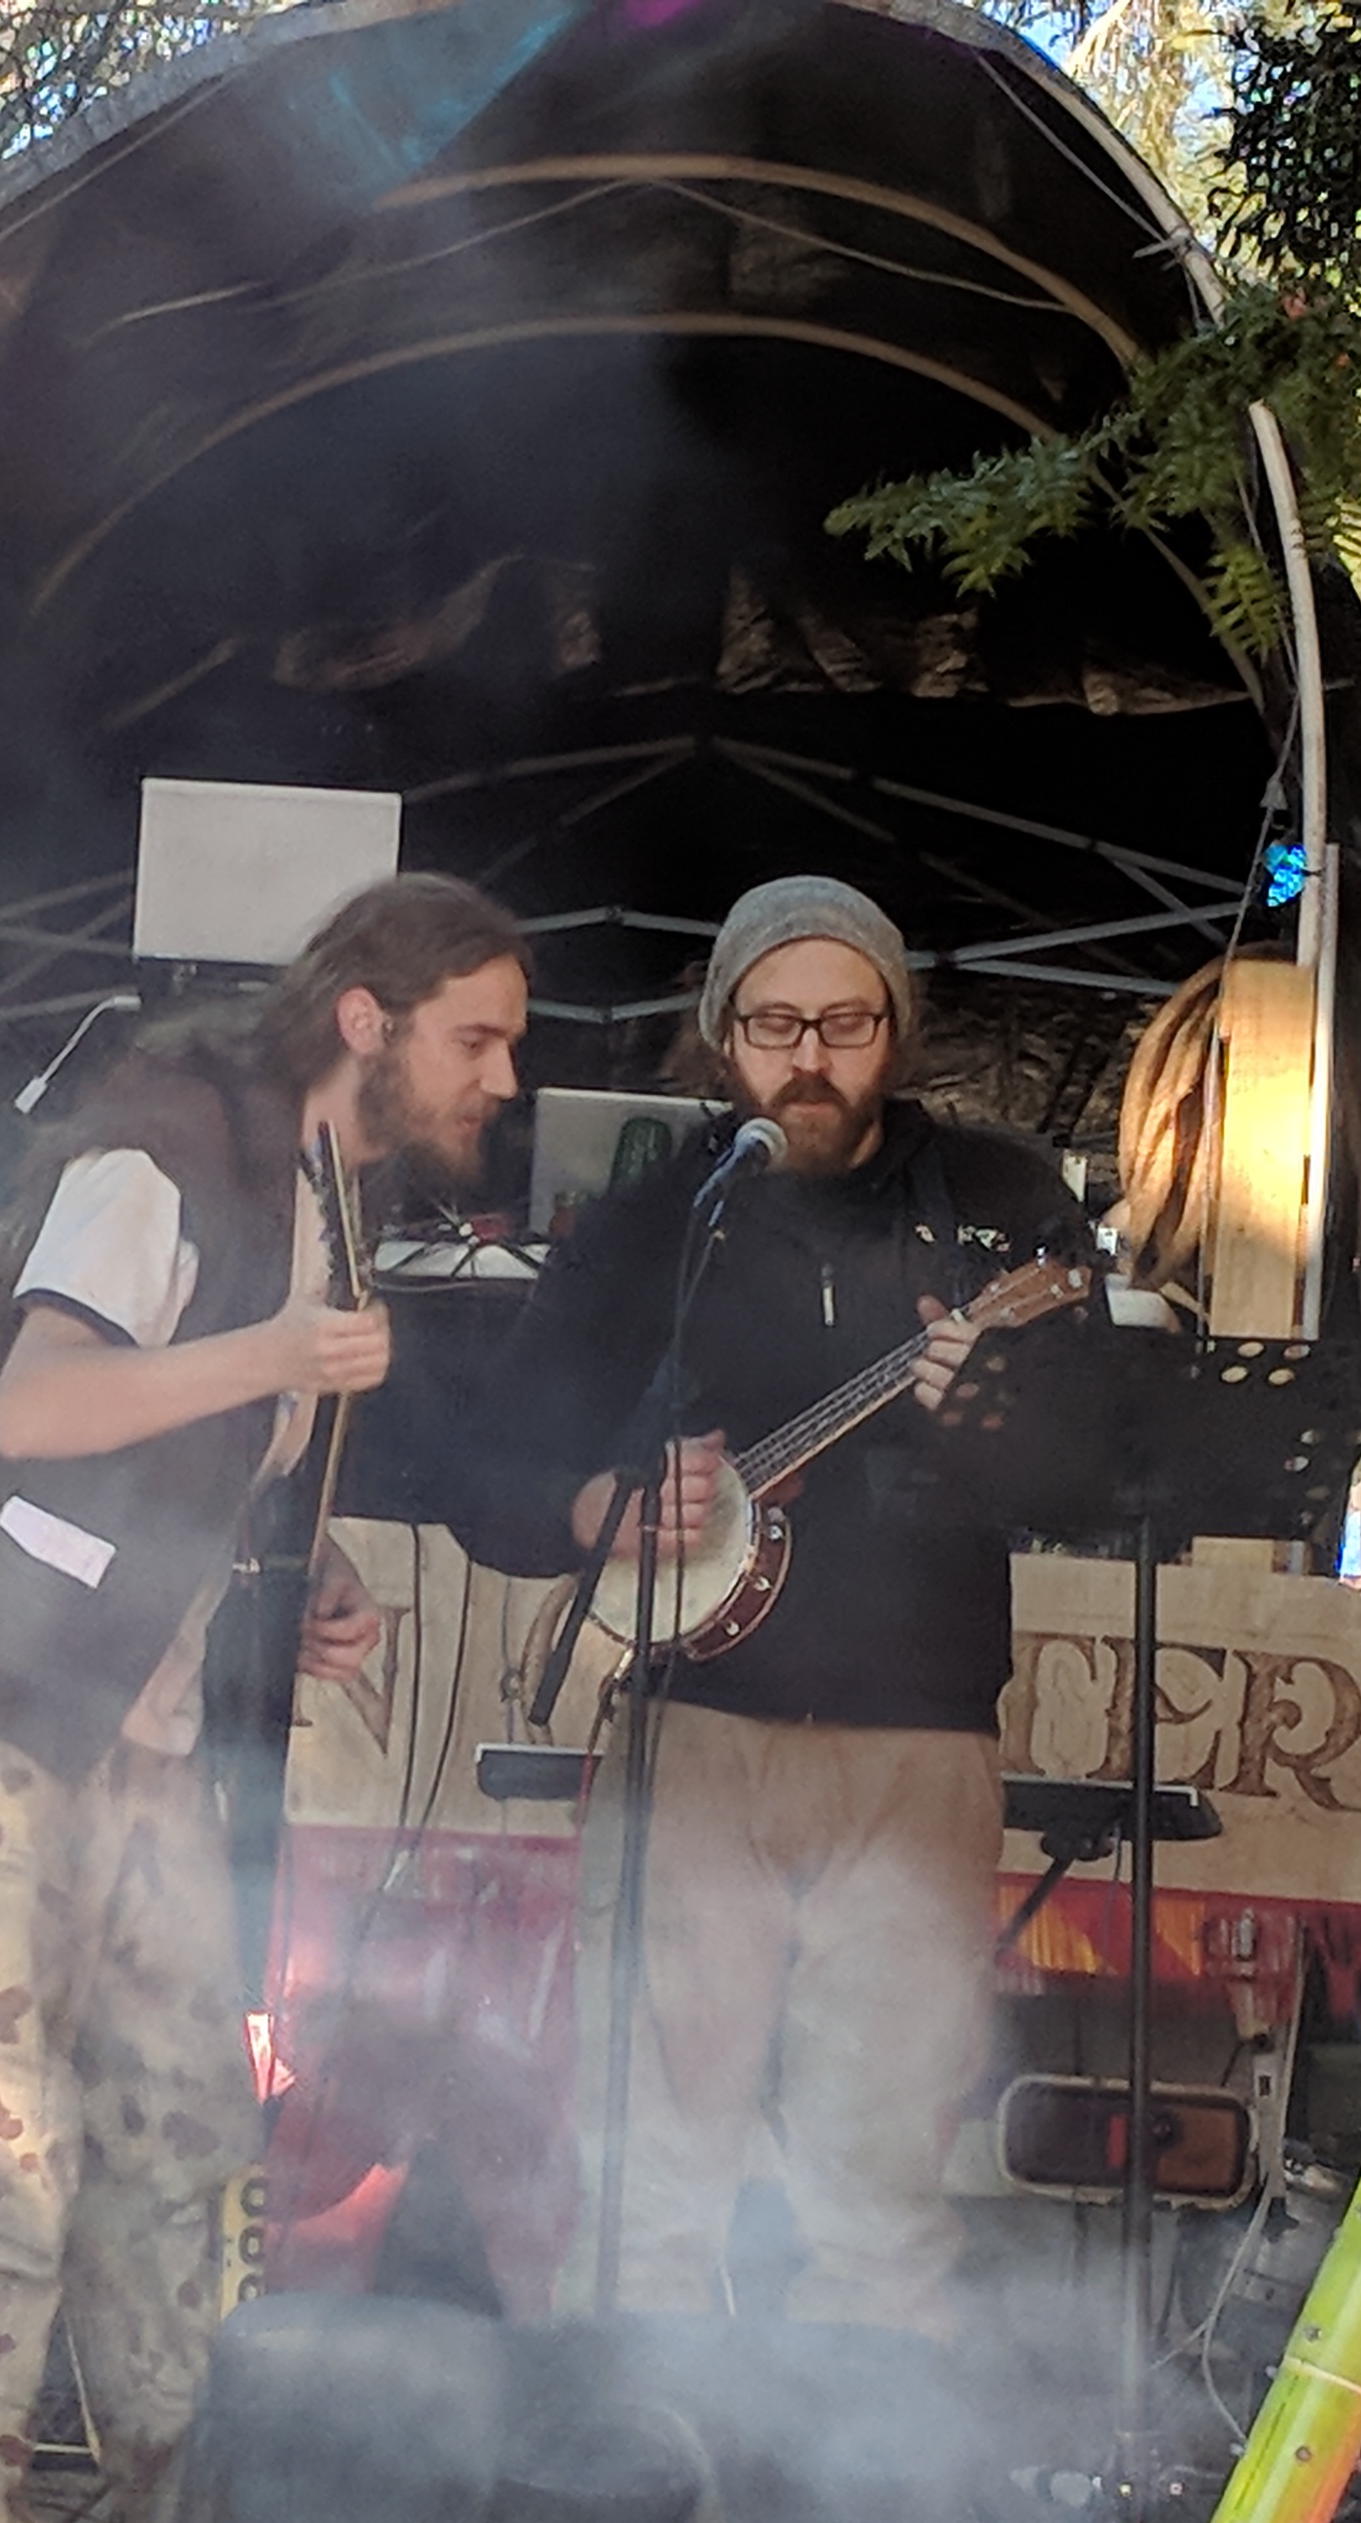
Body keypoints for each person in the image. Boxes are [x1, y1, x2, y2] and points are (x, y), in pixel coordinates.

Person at [0, 873, 530, 2523]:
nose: (503, 1076)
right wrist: (280, 1357)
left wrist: (296, 1579)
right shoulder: (164, 1147)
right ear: (369, 1019)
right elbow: (43, 1407)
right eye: (478, 1036)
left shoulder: (322, 1198)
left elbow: (188, 1458)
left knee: (182, 2132)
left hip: (130, 1723)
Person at [458, 874, 1095, 2337]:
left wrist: (992, 1413)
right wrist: (596, 1507)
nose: (810, 1059)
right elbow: (489, 1469)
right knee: (647, 2179)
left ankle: (856, 2470)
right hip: (693, 1738)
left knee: (884, 2188)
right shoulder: (654, 1223)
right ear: (721, 1032)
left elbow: (1097, 1470)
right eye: (775, 1025)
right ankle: (635, 2455)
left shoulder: (999, 1205)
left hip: (919, 1748)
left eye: (846, 1024)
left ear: (897, 1030)